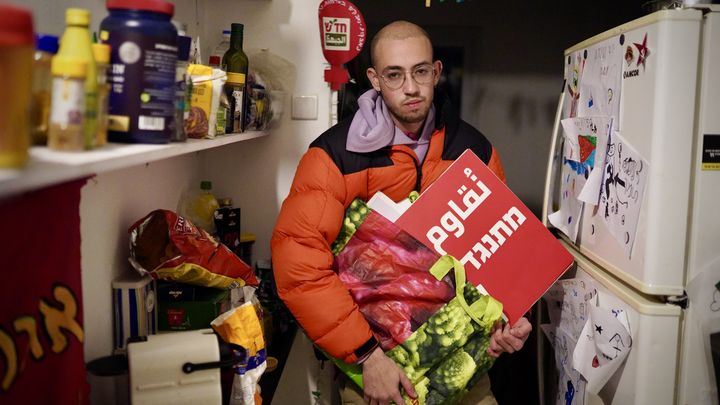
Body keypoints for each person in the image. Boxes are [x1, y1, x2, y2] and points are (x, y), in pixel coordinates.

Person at [270, 20, 532, 405]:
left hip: (465, 373)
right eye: (395, 75)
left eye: (421, 71)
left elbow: (498, 254)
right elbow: (299, 269)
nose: (411, 87)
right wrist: (366, 356)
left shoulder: (474, 150)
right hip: (379, 376)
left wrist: (509, 318)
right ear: (374, 79)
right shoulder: (333, 157)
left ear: (437, 72)